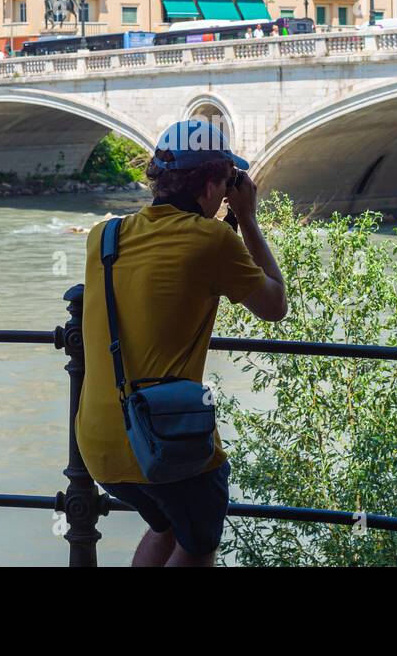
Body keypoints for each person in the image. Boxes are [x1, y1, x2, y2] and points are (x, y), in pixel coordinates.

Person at [77, 120, 287, 567]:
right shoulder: (211, 239)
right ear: (212, 185)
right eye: (229, 181)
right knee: (199, 541)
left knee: (167, 523)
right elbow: (274, 304)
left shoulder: (104, 238)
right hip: (163, 440)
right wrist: (246, 217)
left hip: (100, 444)